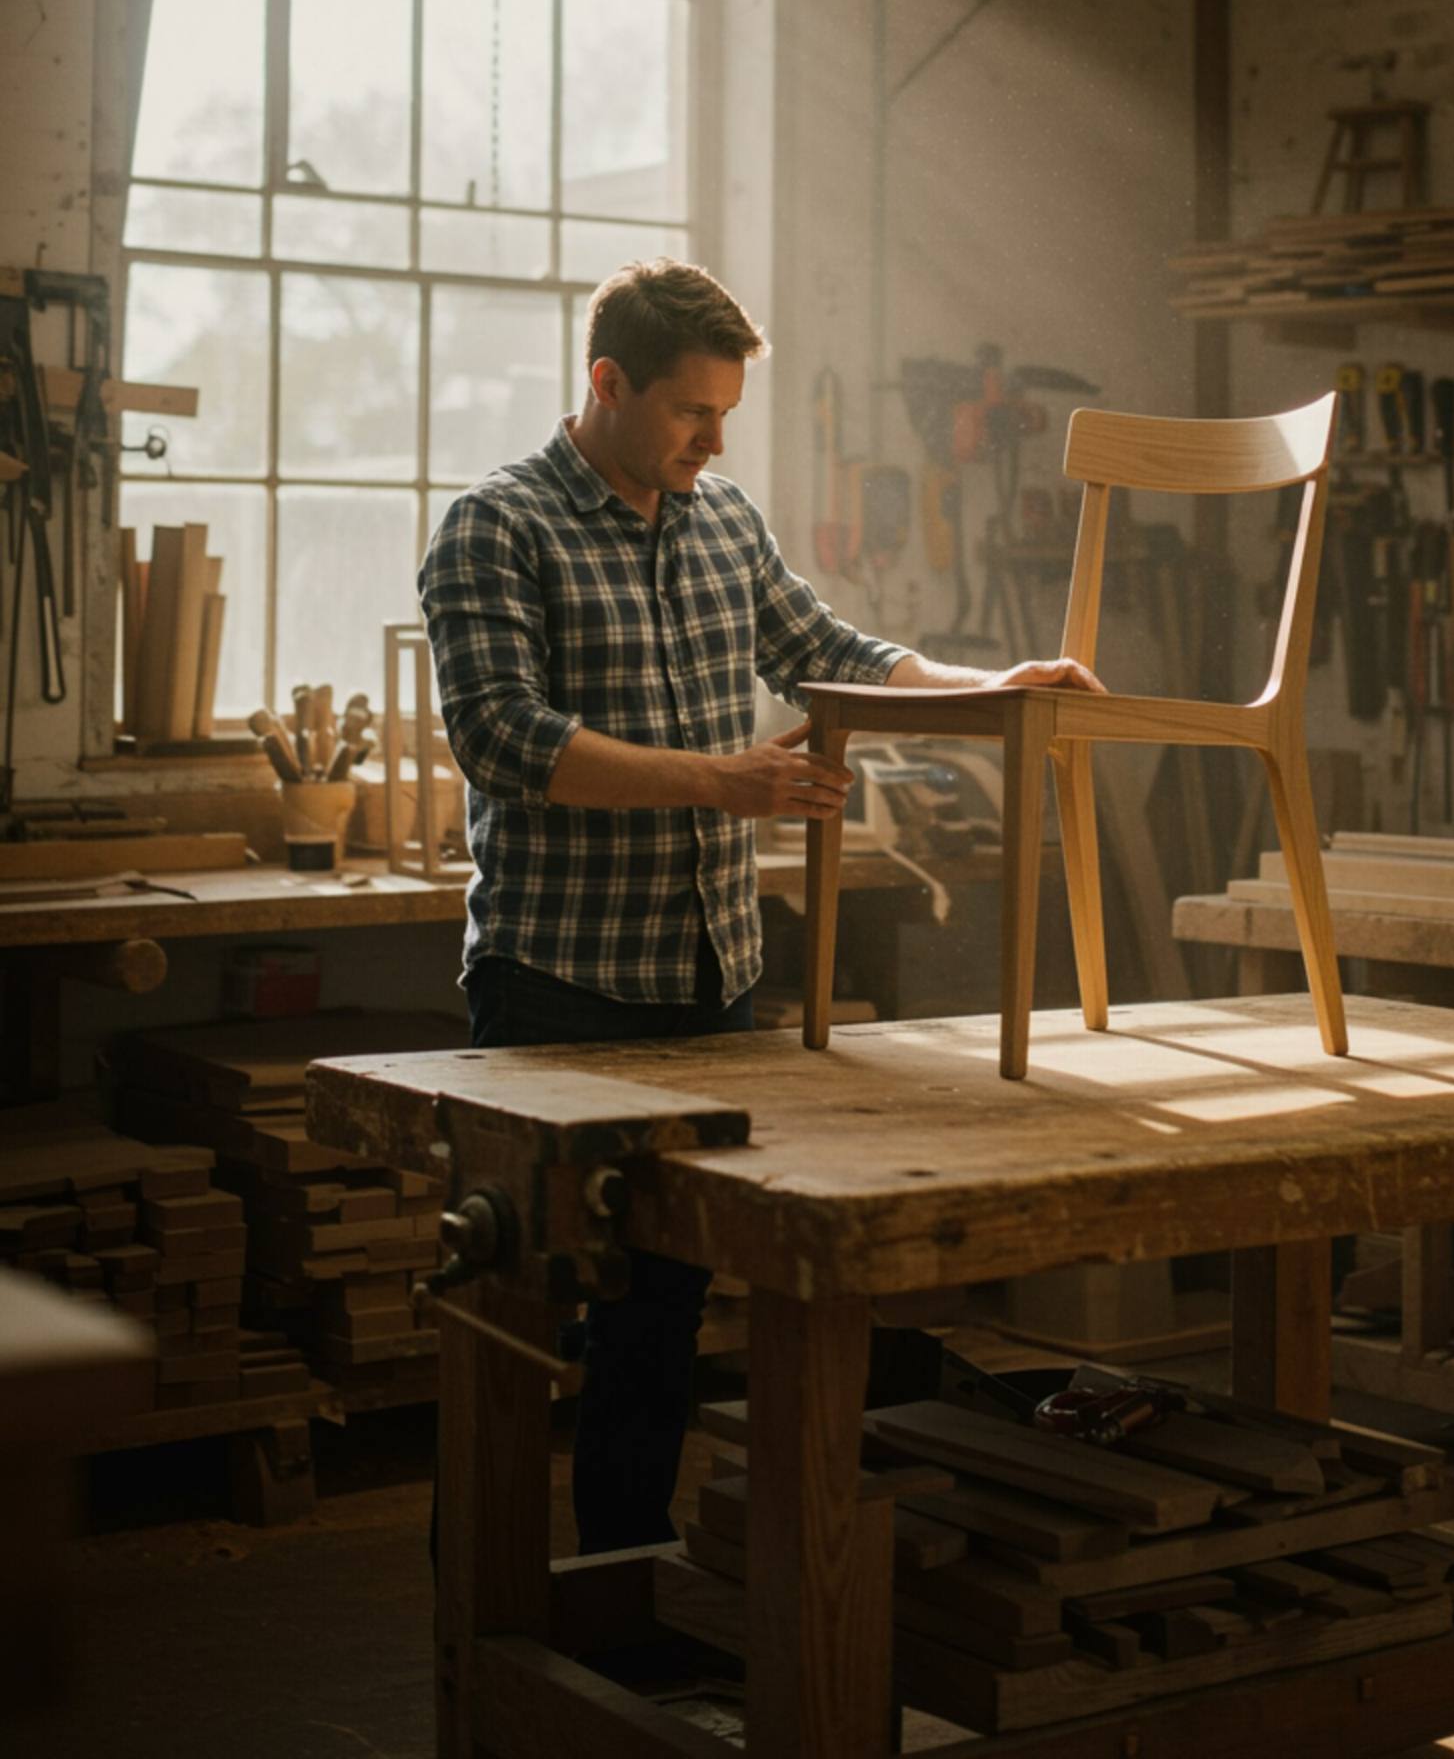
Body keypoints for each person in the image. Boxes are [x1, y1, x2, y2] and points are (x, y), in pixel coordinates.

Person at [421, 256, 1097, 1553]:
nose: (714, 442)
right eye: (692, 411)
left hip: (705, 976)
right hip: (557, 983)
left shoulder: (721, 517)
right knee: (513, 1307)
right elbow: (502, 737)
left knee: (659, 1310)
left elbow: (825, 652)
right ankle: (485, 1603)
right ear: (607, 381)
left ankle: (622, 1577)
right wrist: (717, 780)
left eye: (726, 413)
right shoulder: (497, 526)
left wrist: (986, 685)